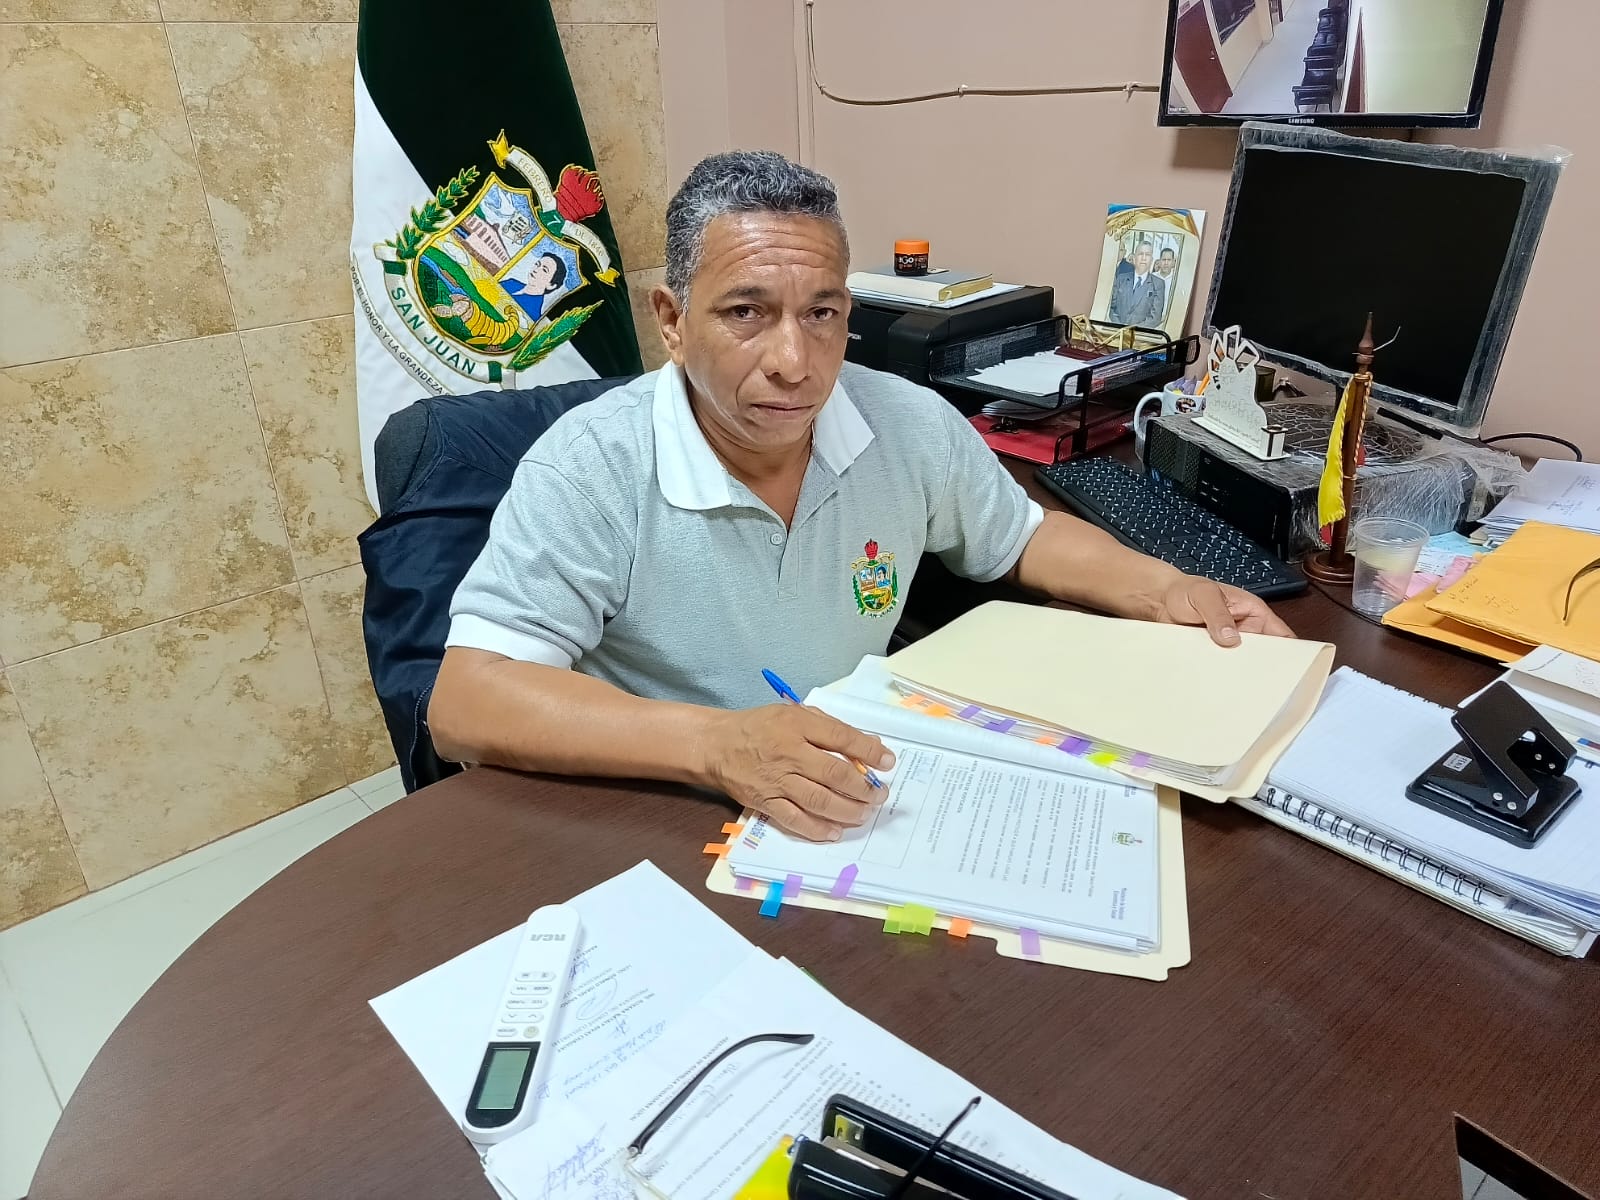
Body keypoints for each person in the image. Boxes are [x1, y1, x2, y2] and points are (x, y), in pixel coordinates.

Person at [429, 151, 1291, 843]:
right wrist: (716, 745)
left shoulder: (904, 421)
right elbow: (467, 700)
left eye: (823, 314)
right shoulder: (591, 464)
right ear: (672, 321)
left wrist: (1167, 589)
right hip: (658, 808)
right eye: (746, 313)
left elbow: (1024, 536)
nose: (795, 364)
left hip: (848, 798)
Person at [1106, 241, 1166, 328]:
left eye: (1147, 255)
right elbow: (1111, 308)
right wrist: (1119, 327)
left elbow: (1155, 318)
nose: (1144, 258)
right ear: (1134, 258)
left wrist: (1132, 331)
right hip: (1117, 331)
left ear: (1151, 260)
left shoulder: (1158, 284)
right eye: (1141, 254)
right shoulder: (1121, 279)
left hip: (1140, 334)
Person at [502, 251, 567, 323]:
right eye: (537, 264)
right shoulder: (511, 282)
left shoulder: (532, 312)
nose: (536, 270)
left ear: (551, 285)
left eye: (544, 270)